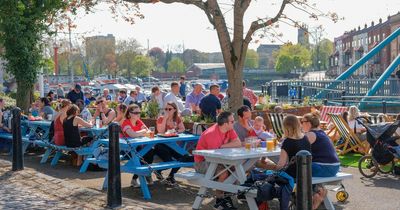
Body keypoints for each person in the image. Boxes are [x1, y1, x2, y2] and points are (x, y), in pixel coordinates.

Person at [194, 111, 241, 209]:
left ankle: (226, 197)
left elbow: (238, 143)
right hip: (202, 163)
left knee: (239, 170)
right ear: (225, 124)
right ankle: (220, 200)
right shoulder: (212, 134)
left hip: (217, 160)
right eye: (232, 121)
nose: (234, 122)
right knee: (224, 173)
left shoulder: (229, 129)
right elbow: (213, 158)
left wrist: (222, 146)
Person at [259, 114, 311, 179]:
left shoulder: (288, 142)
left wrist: (273, 169)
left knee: (260, 168)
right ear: (298, 124)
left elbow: (281, 165)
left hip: (293, 175)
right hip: (307, 172)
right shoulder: (305, 138)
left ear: (285, 127)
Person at [120, 104, 153, 187]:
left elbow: (148, 131)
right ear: (130, 113)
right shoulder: (125, 122)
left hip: (138, 147)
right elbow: (132, 135)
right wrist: (142, 132)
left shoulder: (139, 121)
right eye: (136, 113)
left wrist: (140, 132)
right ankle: (143, 175)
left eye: (139, 112)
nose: (138, 114)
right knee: (143, 154)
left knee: (151, 151)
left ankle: (145, 173)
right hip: (126, 149)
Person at [154, 102, 186, 184]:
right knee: (169, 160)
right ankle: (158, 170)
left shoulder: (177, 118)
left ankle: (171, 176)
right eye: (166, 109)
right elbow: (160, 131)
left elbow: (182, 128)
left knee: (183, 157)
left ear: (174, 110)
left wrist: (175, 131)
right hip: (161, 144)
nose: (167, 110)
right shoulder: (161, 118)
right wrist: (165, 118)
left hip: (172, 145)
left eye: (170, 109)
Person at [302, 112, 340, 177]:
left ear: (308, 123)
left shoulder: (311, 134)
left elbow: (298, 149)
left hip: (324, 167)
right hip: (334, 167)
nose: (301, 124)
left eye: (302, 122)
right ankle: (317, 187)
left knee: (296, 168)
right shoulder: (321, 133)